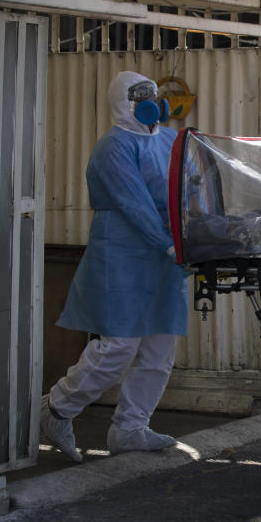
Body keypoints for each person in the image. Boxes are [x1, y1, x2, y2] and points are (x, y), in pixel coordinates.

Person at [40, 71, 188, 462]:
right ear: (123, 102)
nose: (152, 103)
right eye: (142, 96)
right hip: (124, 253)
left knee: (159, 349)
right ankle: (57, 408)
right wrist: (170, 243)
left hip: (166, 257)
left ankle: (130, 428)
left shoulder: (171, 140)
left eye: (154, 95)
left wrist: (192, 236)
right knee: (118, 346)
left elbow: (188, 187)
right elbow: (133, 202)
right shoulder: (114, 146)